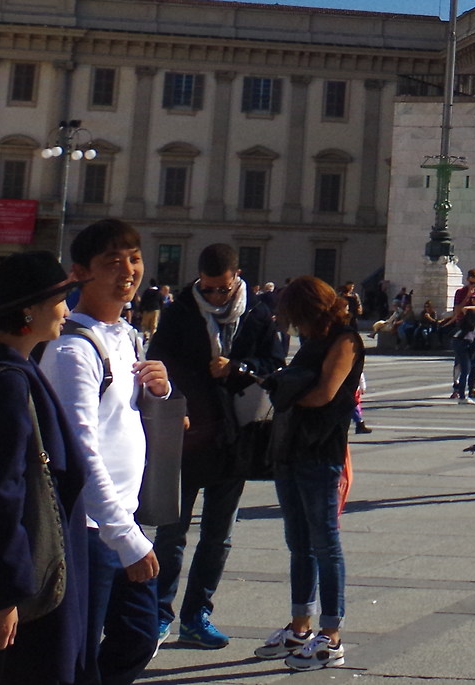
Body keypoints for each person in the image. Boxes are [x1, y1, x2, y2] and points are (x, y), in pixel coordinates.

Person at [0, 251, 88, 685]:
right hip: (26, 582)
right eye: (60, 301)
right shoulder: (8, 381)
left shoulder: (10, 366)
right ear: (30, 309)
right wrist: (3, 598)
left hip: (33, 570)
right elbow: (0, 494)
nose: (67, 311)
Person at [47, 220, 172, 685]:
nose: (128, 270)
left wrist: (160, 391)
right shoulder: (72, 350)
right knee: (78, 653)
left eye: (134, 258)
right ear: (81, 273)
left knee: (139, 635)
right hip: (88, 527)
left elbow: (123, 416)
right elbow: (81, 450)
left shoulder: (125, 335)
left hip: (122, 518)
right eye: (112, 261)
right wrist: (125, 536)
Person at [148, 242, 281, 649]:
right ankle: (159, 613)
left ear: (237, 278)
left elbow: (273, 363)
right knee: (171, 531)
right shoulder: (181, 311)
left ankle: (196, 615)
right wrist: (175, 395)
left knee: (219, 534)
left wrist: (237, 368)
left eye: (222, 289)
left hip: (233, 435)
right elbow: (158, 359)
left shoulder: (256, 313)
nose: (215, 296)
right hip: (188, 432)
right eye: (207, 288)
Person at [252, 277, 364, 671]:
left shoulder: (345, 340)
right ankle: (300, 626)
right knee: (298, 543)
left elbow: (325, 393)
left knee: (325, 543)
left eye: (296, 317)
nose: (294, 325)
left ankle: (331, 635)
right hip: (290, 449)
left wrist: (286, 391)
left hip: (320, 451)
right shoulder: (313, 340)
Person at [446, 300, 475, 403]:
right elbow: (465, 309)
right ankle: (462, 396)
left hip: (468, 342)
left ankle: (464, 366)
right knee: (466, 370)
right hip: (460, 341)